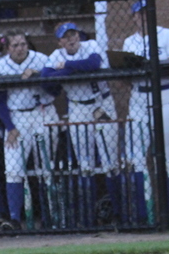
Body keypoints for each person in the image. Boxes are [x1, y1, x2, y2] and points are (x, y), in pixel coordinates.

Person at [43, 22, 120, 226]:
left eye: (73, 34)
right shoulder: (56, 54)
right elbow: (45, 77)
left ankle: (119, 215)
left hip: (102, 104)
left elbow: (93, 64)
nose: (71, 39)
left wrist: (67, 68)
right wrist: (70, 71)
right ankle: (88, 218)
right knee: (84, 164)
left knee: (110, 163)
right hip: (77, 107)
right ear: (60, 41)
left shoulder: (91, 45)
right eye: (66, 36)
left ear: (79, 35)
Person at [0, 30, 58, 230]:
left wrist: (39, 76)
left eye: (23, 44)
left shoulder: (41, 60)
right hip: (16, 117)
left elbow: (56, 90)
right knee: (13, 170)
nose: (20, 48)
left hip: (43, 112)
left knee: (46, 168)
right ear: (8, 48)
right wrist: (10, 127)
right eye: (15, 45)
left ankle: (48, 217)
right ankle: (15, 219)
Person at [122, 0, 169, 224]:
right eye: (138, 14)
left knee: (166, 159)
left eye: (147, 12)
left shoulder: (167, 34)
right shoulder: (129, 41)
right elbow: (125, 76)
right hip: (138, 97)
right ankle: (143, 216)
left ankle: (165, 215)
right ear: (134, 17)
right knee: (137, 158)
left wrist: (149, 65)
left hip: (166, 95)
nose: (143, 17)